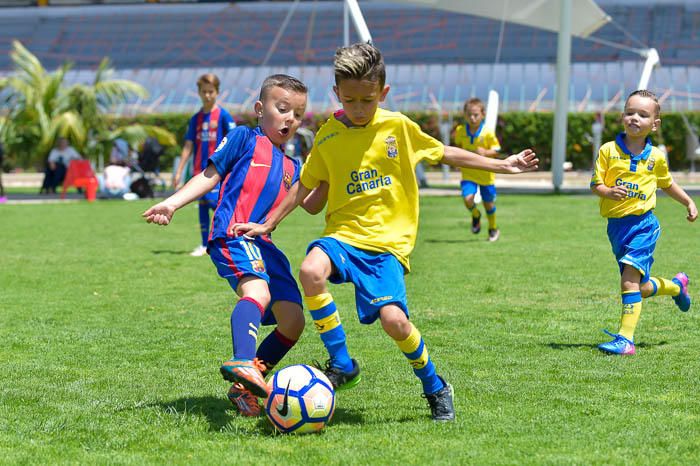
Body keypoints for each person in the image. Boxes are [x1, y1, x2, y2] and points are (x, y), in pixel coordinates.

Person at [233, 43, 538, 421]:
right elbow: (303, 187)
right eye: (351, 100)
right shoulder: (328, 134)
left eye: (368, 100)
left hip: (387, 246)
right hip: (343, 235)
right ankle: (342, 362)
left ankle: (435, 385)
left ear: (384, 93)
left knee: (395, 322)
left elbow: (445, 152)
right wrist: (269, 223)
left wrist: (503, 164)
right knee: (311, 270)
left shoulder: (398, 127)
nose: (360, 108)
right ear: (337, 95)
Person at [144, 74, 326, 417]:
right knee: (256, 293)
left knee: (293, 321)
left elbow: (313, 204)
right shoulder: (243, 138)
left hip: (266, 245)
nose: (290, 118)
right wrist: (172, 203)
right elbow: (208, 175)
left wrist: (332, 169)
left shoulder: (294, 165)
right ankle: (243, 360)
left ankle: (243, 387)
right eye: (282, 108)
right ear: (260, 109)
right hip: (234, 234)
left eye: (298, 114)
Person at [591, 89, 697, 356]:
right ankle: (675, 286)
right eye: (629, 112)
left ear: (655, 124)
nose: (634, 118)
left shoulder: (656, 157)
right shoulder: (608, 150)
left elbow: (667, 184)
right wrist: (608, 191)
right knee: (639, 286)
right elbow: (596, 184)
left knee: (628, 282)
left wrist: (688, 201)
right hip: (616, 228)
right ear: (622, 117)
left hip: (643, 226)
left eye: (642, 114)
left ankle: (625, 340)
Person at [173, 73, 237, 257]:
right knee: (202, 206)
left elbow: (234, 141)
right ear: (199, 93)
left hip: (218, 171)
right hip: (198, 170)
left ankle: (223, 240)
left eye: (211, 92)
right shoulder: (196, 119)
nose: (208, 95)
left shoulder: (224, 116)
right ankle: (204, 245)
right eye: (204, 92)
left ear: (217, 92)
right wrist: (179, 171)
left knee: (216, 205)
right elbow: (188, 145)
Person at [454, 98, 502, 241]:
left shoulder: (487, 133)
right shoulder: (460, 130)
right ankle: (475, 214)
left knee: (488, 204)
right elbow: (458, 147)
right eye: (469, 115)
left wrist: (486, 153)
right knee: (468, 199)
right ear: (465, 115)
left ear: (483, 114)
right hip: (468, 174)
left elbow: (497, 150)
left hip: (486, 175)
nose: (472, 118)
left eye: (476, 115)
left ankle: (493, 229)